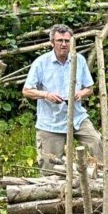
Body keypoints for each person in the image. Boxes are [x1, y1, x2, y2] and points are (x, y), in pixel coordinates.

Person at [22, 24, 101, 173]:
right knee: (50, 166)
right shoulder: (41, 63)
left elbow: (89, 88)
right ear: (52, 42)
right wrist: (46, 95)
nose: (64, 44)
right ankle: (50, 192)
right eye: (60, 40)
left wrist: (80, 94)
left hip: (77, 117)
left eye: (67, 41)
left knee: (96, 142)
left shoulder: (79, 60)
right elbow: (26, 91)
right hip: (51, 122)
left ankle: (101, 182)